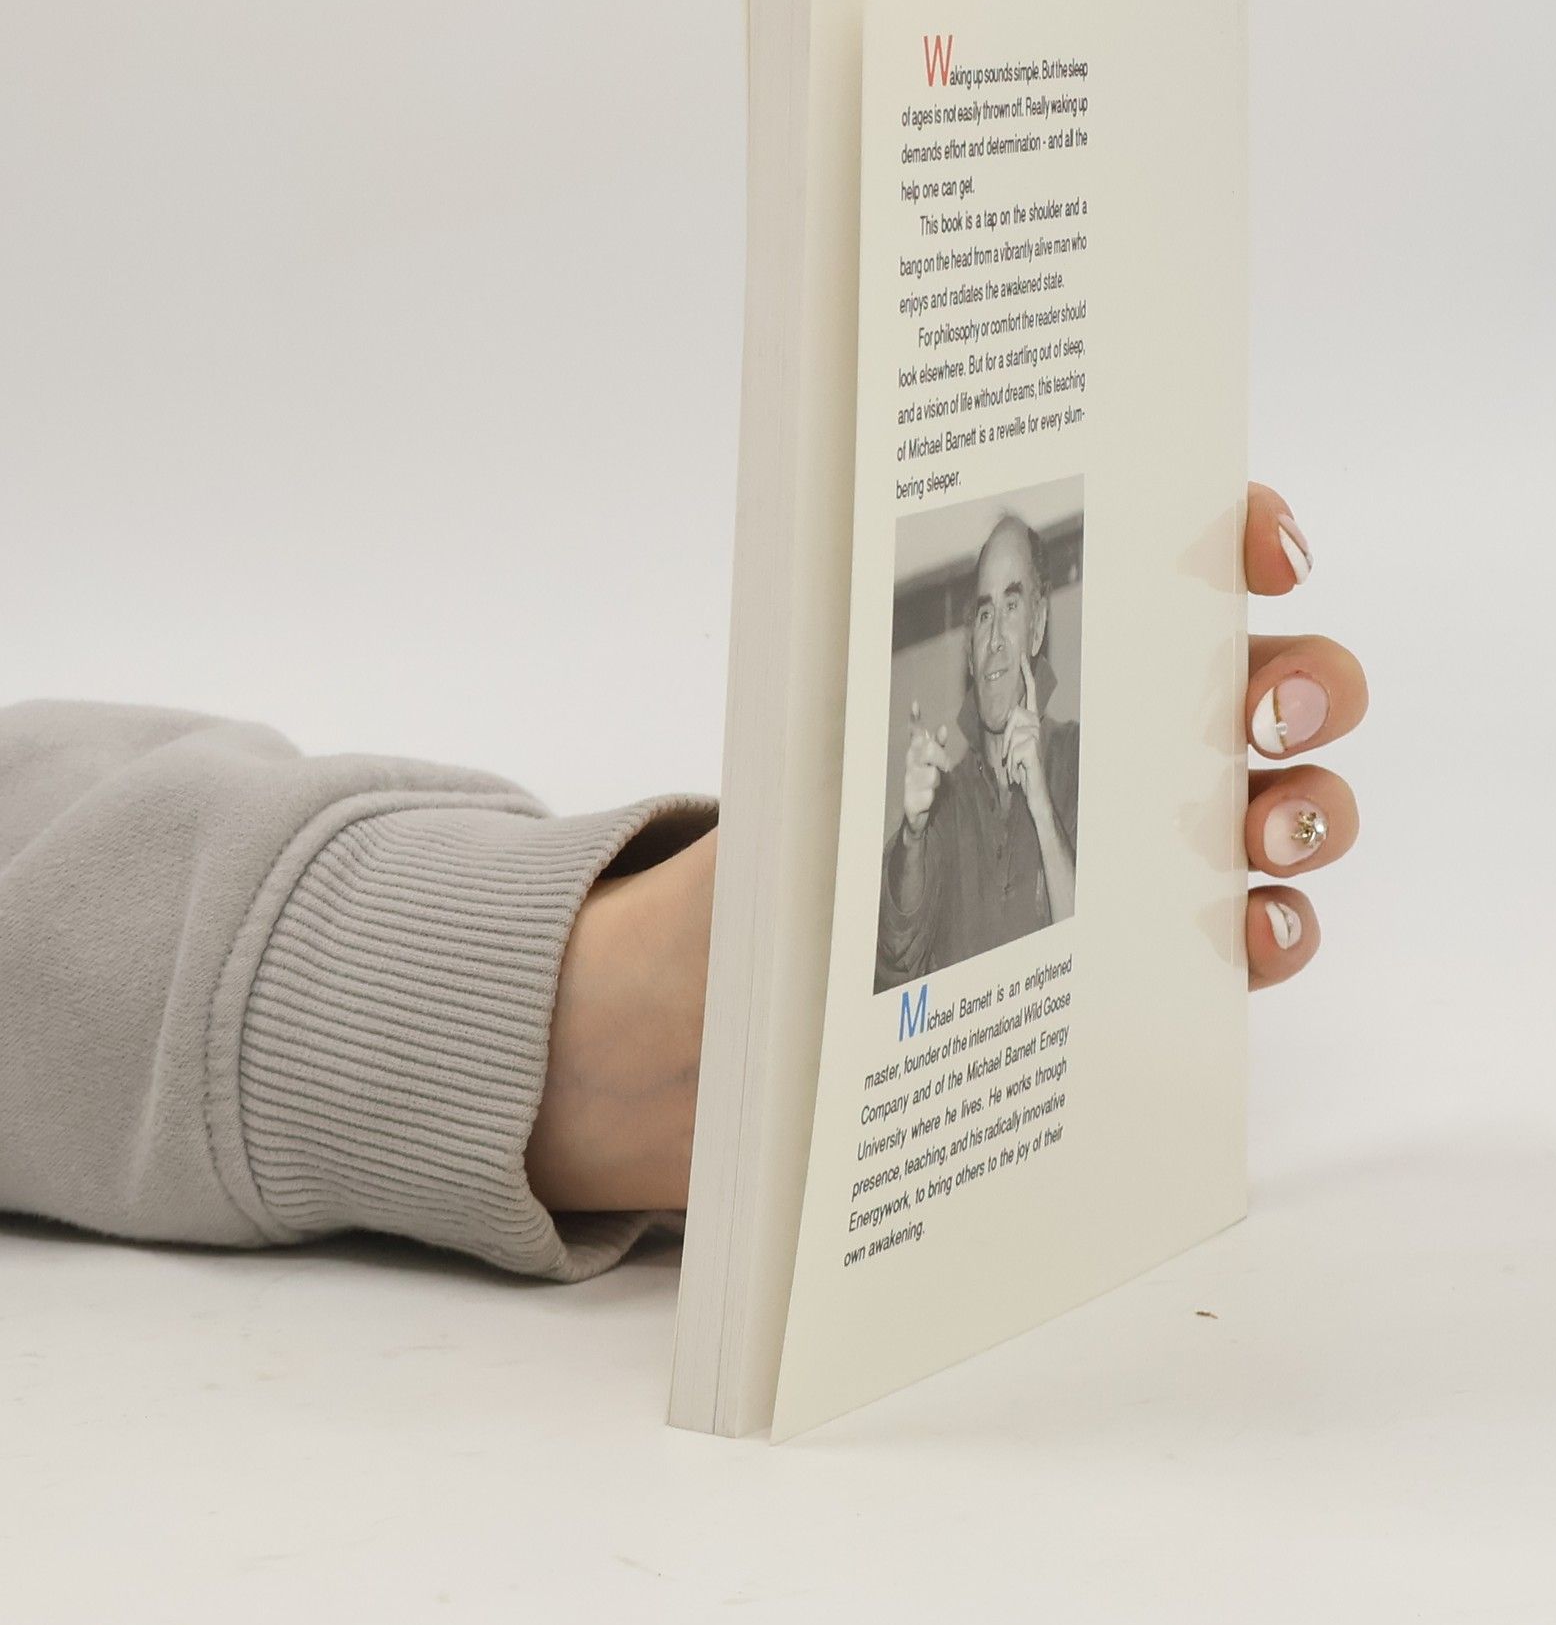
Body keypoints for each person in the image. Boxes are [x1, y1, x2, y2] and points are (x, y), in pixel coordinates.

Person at [0, 483, 1362, 1283]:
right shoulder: (932, 784)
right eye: (985, 603)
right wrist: (574, 1012)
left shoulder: (1072, 759)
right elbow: (901, 939)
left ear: (1048, 619)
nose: (1003, 627)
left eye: (1023, 600)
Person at [875, 511, 1081, 992]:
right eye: (985, 614)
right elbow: (893, 961)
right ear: (969, 651)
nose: (995, 639)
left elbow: (1099, 954)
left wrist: (1041, 808)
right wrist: (912, 835)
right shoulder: (941, 804)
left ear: (1038, 627)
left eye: (1011, 606)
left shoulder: (1080, 756)